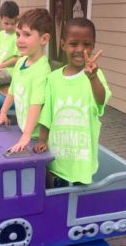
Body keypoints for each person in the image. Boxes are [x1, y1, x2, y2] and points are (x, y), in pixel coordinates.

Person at [34, 18, 111, 188]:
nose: (80, 50)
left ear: (93, 46)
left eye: (87, 44)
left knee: (78, 203)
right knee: (57, 199)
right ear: (63, 45)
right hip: (57, 157)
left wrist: (92, 77)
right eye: (74, 44)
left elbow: (100, 102)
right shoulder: (53, 79)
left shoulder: (95, 77)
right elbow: (48, 113)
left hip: (81, 161)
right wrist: (42, 140)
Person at [0, 8, 52, 153]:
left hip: (36, 137)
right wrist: (3, 113)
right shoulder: (20, 62)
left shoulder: (42, 70)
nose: (20, 40)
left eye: (27, 35)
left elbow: (35, 105)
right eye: (18, 35)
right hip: (23, 131)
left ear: (44, 39)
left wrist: (26, 137)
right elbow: (12, 91)